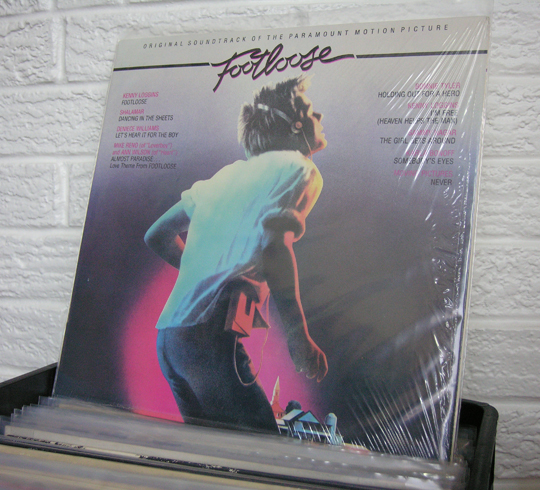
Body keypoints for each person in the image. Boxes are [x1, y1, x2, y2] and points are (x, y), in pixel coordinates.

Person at [145, 75, 328, 433]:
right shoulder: (299, 168)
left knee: (210, 454)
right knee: (261, 451)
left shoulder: (225, 176)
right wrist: (298, 336)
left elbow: (157, 236)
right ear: (294, 125)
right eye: (310, 110)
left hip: (169, 340)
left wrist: (204, 272)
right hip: (207, 338)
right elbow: (275, 247)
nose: (318, 115)